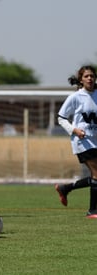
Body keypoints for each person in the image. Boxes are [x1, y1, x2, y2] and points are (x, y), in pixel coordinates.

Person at [55, 65, 97, 218]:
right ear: (81, 79)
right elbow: (61, 118)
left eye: (92, 76)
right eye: (86, 76)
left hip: (95, 140)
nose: (90, 79)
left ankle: (65, 188)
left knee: (96, 176)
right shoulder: (76, 97)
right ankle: (92, 211)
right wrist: (75, 130)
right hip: (82, 140)